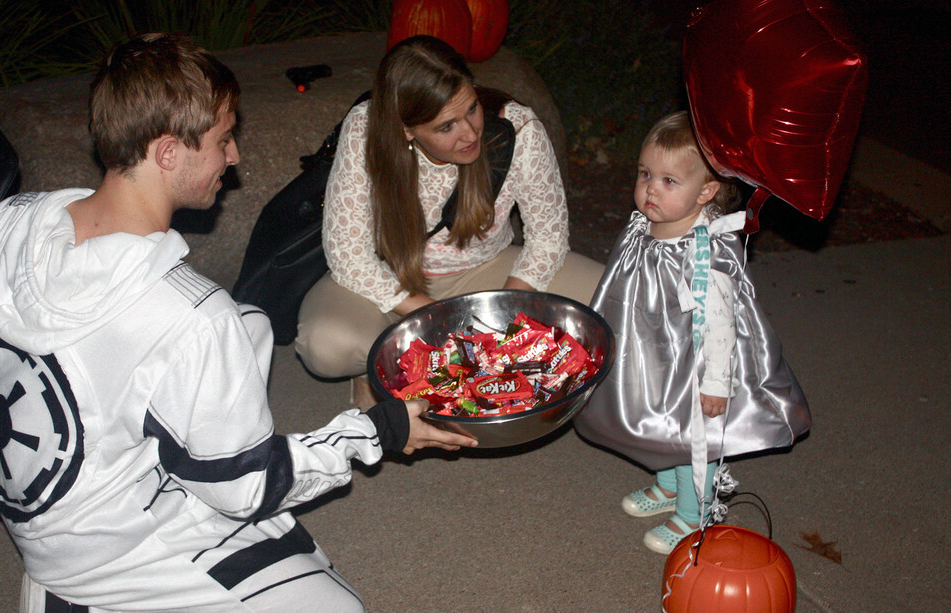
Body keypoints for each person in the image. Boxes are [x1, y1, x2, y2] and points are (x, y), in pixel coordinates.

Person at [0, 33, 476, 612]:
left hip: (47, 537)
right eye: (224, 139)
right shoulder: (191, 317)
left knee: (242, 336)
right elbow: (246, 488)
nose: (235, 156)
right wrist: (379, 430)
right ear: (168, 153)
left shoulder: (7, 224)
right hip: (123, 555)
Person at [295, 36, 605, 403]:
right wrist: (438, 316)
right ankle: (374, 369)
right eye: (446, 127)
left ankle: (412, 359)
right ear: (406, 130)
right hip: (389, 275)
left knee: (613, 302)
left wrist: (505, 318)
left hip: (484, 268)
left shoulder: (517, 129)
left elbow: (548, 237)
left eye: (471, 108)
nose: (470, 133)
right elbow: (349, 255)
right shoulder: (366, 129)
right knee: (326, 346)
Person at [573, 111, 811, 554]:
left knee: (686, 433)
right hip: (649, 352)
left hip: (694, 363)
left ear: (705, 192)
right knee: (652, 419)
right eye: (645, 174)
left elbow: (722, 326)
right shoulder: (641, 228)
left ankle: (692, 512)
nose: (650, 189)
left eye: (669, 181)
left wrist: (716, 383)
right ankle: (666, 487)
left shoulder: (705, 259)